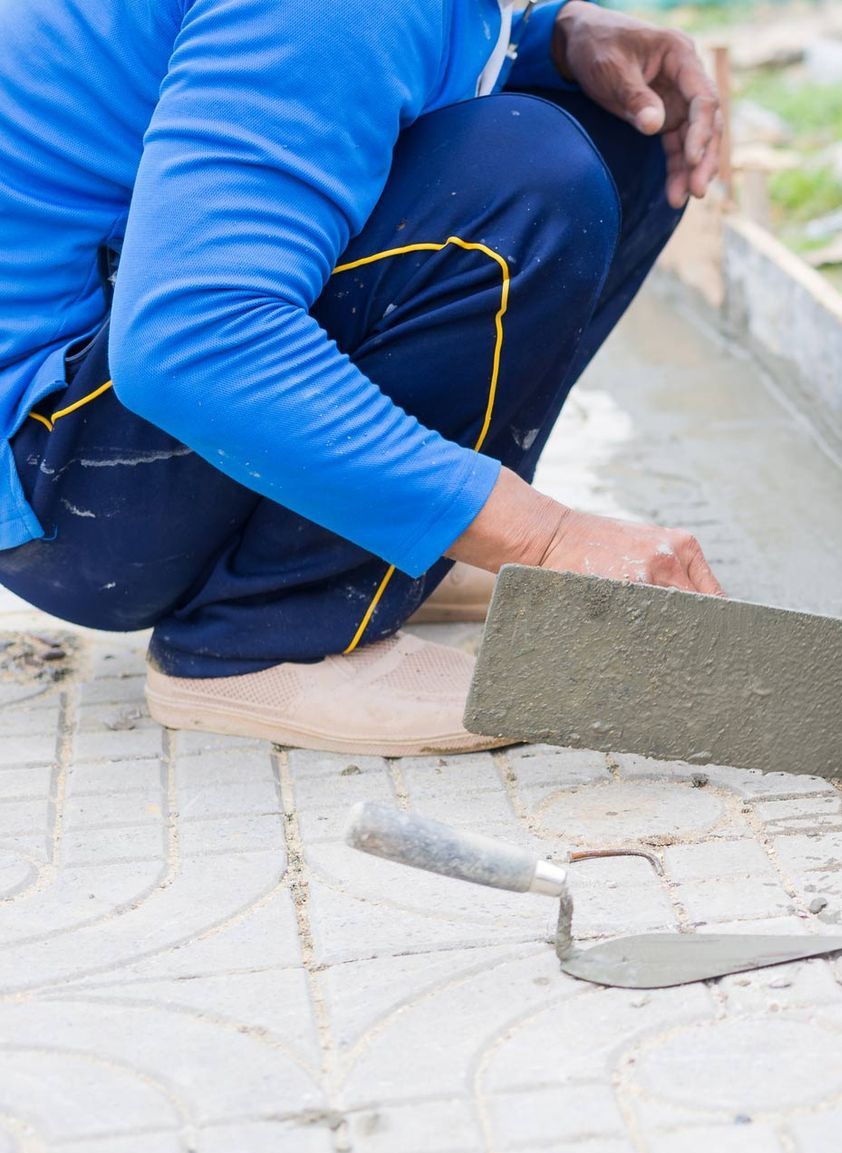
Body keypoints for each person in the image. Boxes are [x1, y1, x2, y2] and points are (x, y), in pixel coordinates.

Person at [0, 0, 728, 756]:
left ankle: (381, 556)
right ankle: (263, 633)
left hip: (101, 416)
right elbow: (193, 338)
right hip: (62, 491)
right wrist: (545, 539)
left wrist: (551, 38)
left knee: (619, 132)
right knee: (527, 168)